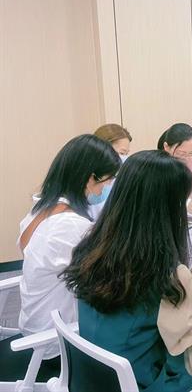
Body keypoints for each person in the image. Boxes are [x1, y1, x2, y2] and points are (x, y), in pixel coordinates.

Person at [62, 150, 192, 391]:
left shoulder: (91, 250)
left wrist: (180, 285)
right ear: (167, 210)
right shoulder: (162, 275)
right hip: (146, 383)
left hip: (100, 379)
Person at [18, 134, 120, 361]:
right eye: (107, 180)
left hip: (33, 324)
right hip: (55, 345)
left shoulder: (40, 209)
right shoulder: (71, 225)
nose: (107, 187)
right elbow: (109, 277)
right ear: (90, 179)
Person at [158, 123, 192, 213]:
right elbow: (160, 201)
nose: (187, 159)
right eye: (181, 154)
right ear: (166, 147)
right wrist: (186, 204)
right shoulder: (158, 166)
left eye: (191, 153)